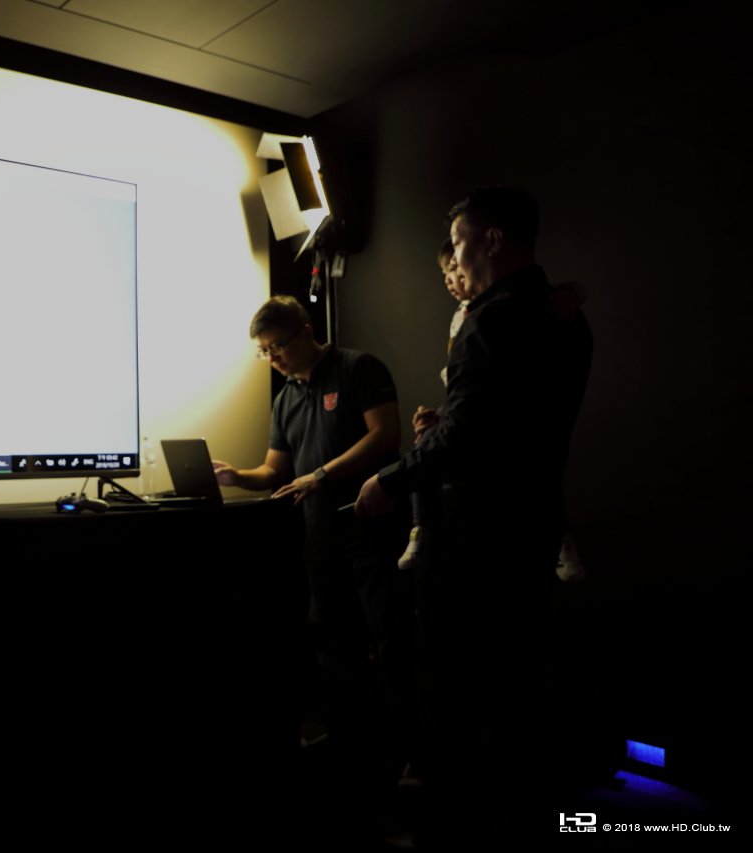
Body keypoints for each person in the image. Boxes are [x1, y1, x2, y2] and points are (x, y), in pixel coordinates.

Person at [355, 187, 593, 840]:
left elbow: (465, 435)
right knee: (515, 672)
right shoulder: (566, 317)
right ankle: (512, 813)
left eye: (459, 242)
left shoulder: (491, 320)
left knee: (452, 671)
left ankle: (449, 818)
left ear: (491, 239)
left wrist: (389, 477)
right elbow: (510, 421)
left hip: (475, 529)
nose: (454, 256)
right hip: (533, 521)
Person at [212, 295, 410, 762]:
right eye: (264, 351)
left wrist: (321, 474)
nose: (273, 358)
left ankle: (409, 750)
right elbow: (274, 471)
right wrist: (235, 476)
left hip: (372, 533)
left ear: (305, 330)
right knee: (333, 647)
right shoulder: (285, 399)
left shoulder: (357, 368)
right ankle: (350, 742)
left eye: (278, 346)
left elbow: (385, 434)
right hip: (320, 544)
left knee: (391, 640)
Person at [396, 239, 471, 571]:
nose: (449, 279)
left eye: (454, 269)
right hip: (459, 407)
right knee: (424, 440)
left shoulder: (493, 311)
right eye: (445, 273)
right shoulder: (459, 317)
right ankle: (419, 527)